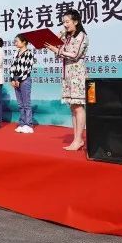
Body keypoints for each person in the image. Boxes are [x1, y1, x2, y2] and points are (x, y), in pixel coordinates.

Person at [47, 8, 89, 151]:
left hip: (77, 74)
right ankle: (76, 139)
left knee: (78, 106)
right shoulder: (68, 37)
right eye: (63, 22)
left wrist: (57, 50)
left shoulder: (81, 36)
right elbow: (60, 51)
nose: (65, 24)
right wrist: (57, 41)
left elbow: (75, 55)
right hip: (68, 74)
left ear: (76, 22)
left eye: (67, 22)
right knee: (73, 107)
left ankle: (79, 139)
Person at [10, 35, 36, 134]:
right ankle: (22, 123)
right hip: (16, 79)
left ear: (24, 42)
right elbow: (12, 66)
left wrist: (20, 79)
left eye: (17, 41)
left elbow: (28, 69)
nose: (15, 43)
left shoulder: (29, 53)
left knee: (26, 103)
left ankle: (28, 124)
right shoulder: (15, 53)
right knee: (20, 104)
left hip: (25, 80)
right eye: (15, 41)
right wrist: (12, 79)